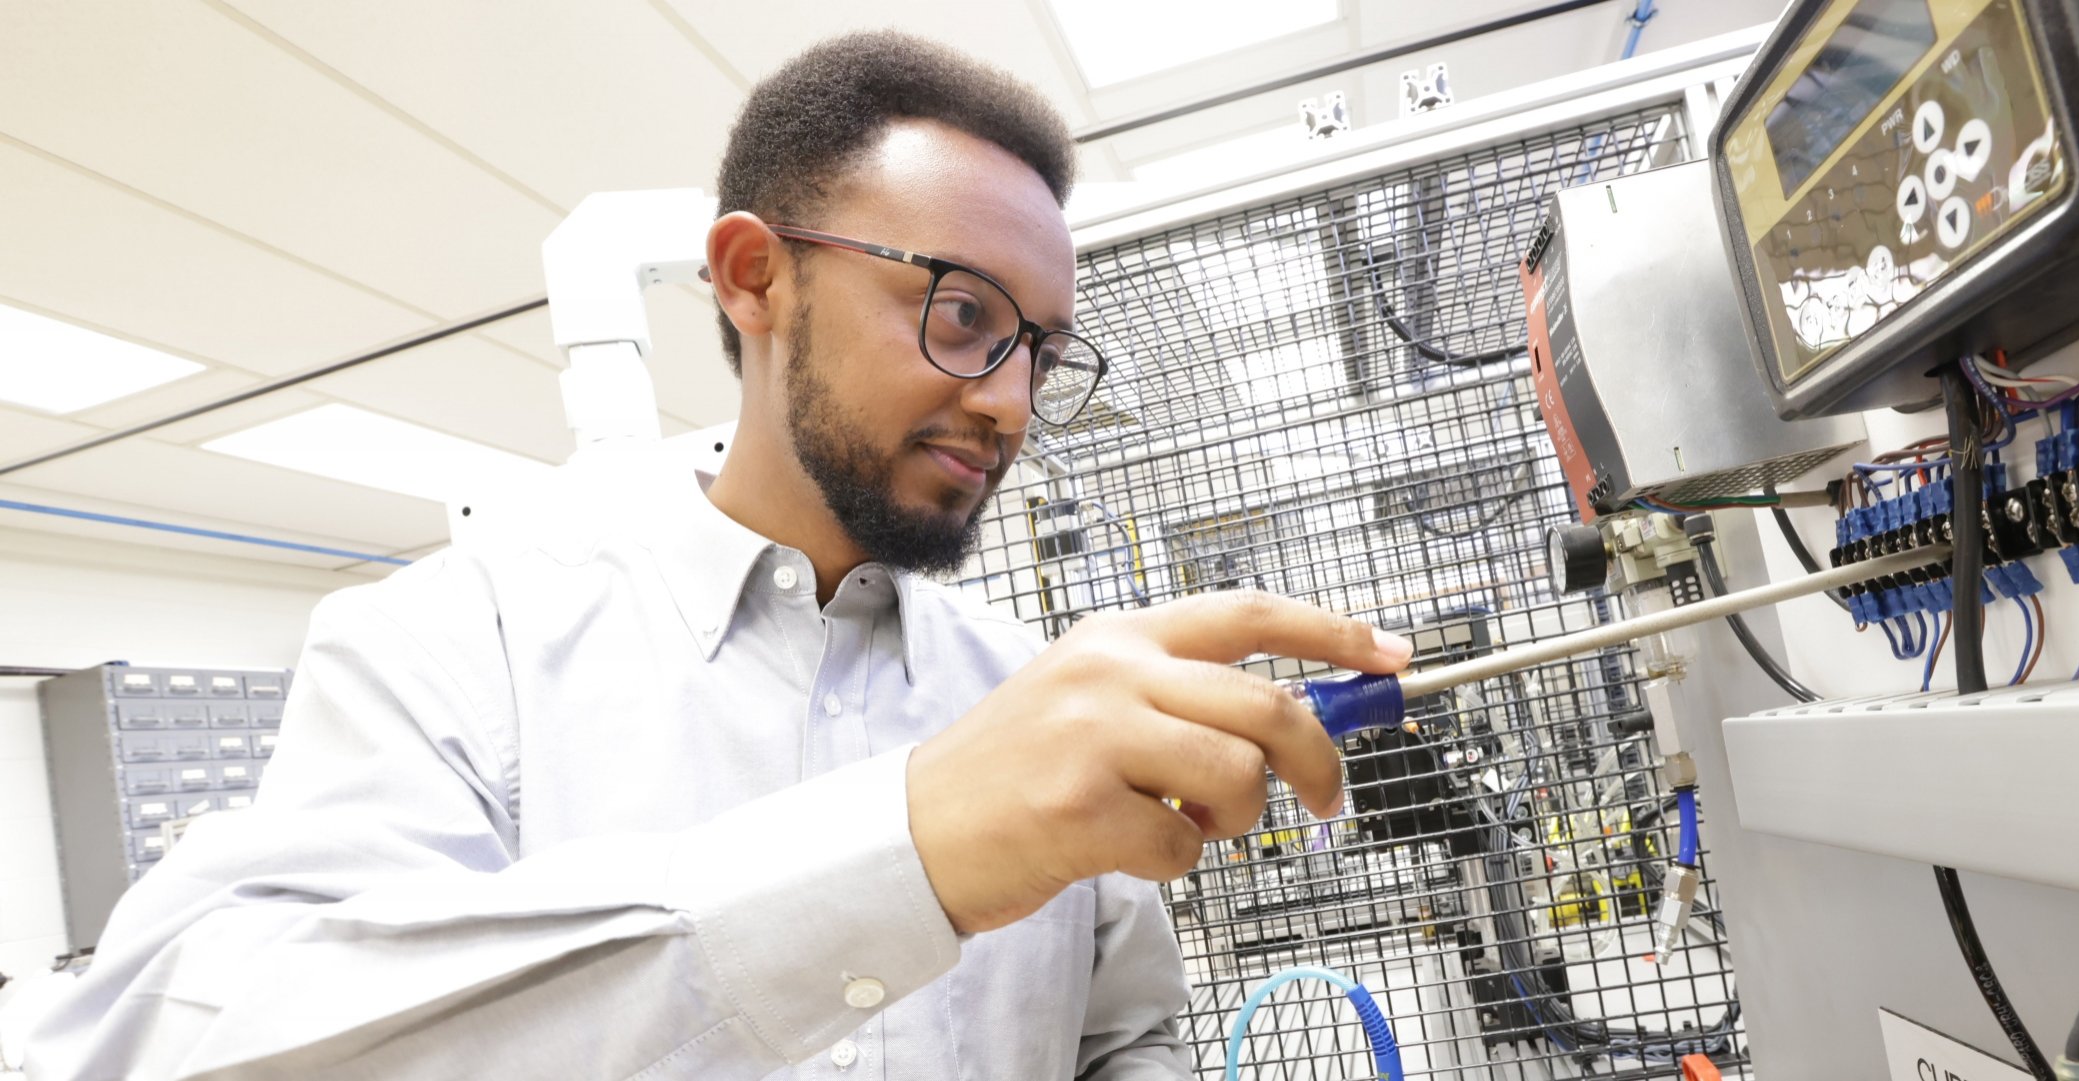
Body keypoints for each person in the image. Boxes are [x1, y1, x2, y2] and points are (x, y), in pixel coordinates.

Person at [25, 29, 1412, 1081]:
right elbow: (198, 1031)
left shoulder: (1031, 693)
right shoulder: (469, 640)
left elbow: (1120, 1032)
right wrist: (909, 846)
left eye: (1037, 349)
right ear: (754, 276)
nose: (1008, 398)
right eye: (962, 312)